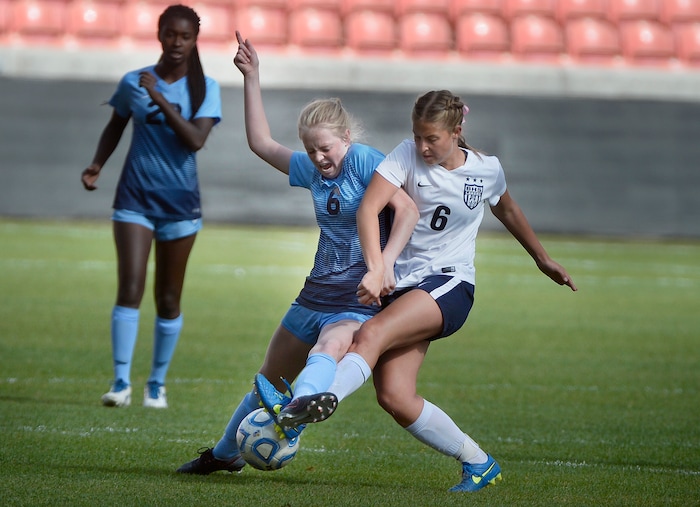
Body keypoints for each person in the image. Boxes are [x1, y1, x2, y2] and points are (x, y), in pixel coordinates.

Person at [275, 90, 578, 492]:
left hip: (450, 284)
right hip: (405, 287)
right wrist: (378, 266)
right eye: (417, 135)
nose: (422, 146)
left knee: (370, 335)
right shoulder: (405, 155)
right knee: (395, 397)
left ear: (456, 132)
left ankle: (310, 407)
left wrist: (541, 258)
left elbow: (506, 208)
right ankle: (479, 462)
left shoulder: (486, 170)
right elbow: (369, 208)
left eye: (431, 138)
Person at [176, 32, 417, 474]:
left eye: (325, 147)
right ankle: (225, 454)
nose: (319, 157)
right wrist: (252, 77)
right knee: (267, 381)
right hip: (313, 295)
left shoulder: (363, 159)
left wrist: (382, 267)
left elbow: (407, 210)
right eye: (311, 149)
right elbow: (261, 143)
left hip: (357, 299)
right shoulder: (311, 169)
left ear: (345, 137)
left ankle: (299, 410)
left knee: (329, 346)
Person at [80, 4, 222, 409]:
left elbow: (195, 140)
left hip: (180, 205)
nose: (176, 43)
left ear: (195, 40)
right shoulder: (131, 82)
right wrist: (97, 164)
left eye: (185, 36)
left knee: (169, 298)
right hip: (134, 200)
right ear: (159, 35)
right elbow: (116, 124)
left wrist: (157, 95)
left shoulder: (205, 88)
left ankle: (156, 384)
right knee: (130, 287)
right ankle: (121, 382)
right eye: (169, 35)